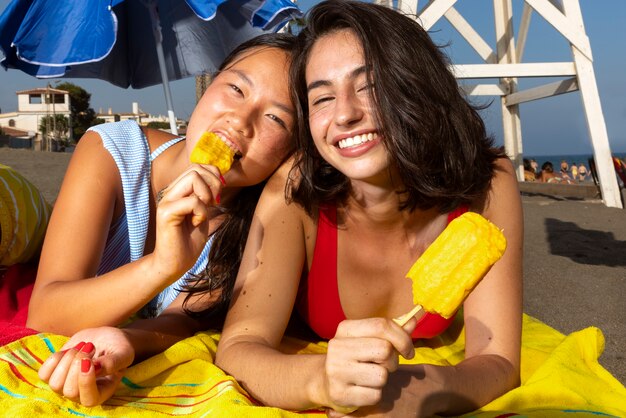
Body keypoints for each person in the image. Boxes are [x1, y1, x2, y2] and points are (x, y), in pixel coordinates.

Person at [215, 1, 523, 416]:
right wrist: (321, 381)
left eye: (370, 87)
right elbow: (237, 348)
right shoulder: (294, 192)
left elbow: (499, 362)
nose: (345, 114)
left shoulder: (487, 182)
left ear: (418, 85)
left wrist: (424, 392)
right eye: (322, 98)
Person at [33, 33, 297, 406]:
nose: (240, 120)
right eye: (236, 88)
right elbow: (45, 312)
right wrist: (162, 265)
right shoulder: (112, 152)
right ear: (208, 86)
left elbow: (181, 322)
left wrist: (128, 341)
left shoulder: (256, 224)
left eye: (275, 118)